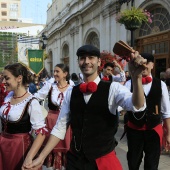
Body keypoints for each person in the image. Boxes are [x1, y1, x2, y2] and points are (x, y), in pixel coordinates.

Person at [22, 44, 146, 170]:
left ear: (99, 62)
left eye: (91, 58)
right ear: (78, 62)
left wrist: (137, 78)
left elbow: (137, 105)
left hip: (103, 162)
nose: (86, 62)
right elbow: (60, 128)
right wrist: (41, 157)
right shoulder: (71, 92)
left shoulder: (113, 88)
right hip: (76, 161)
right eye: (82, 58)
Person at [125, 53, 170, 170]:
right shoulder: (129, 83)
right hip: (134, 130)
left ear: (152, 65)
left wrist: (168, 133)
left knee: (152, 164)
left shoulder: (161, 84)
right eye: (141, 63)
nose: (144, 66)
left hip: (153, 130)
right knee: (133, 163)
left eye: (147, 63)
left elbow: (166, 111)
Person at [0, 63, 47, 170]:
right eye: (3, 78)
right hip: (3, 144)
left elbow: (41, 133)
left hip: (19, 147)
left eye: (6, 78)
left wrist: (29, 157)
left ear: (19, 78)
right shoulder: (8, 96)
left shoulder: (31, 102)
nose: (3, 82)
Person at [33, 63, 73, 170]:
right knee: (51, 147)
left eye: (57, 71)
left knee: (66, 148)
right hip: (51, 120)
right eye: (54, 71)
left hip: (66, 123)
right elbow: (36, 97)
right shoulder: (50, 86)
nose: (54, 74)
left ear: (65, 74)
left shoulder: (72, 88)